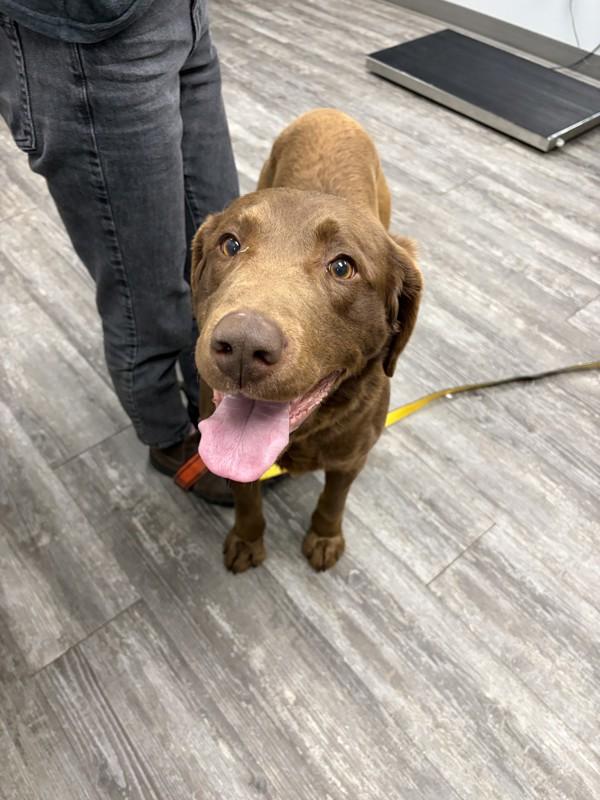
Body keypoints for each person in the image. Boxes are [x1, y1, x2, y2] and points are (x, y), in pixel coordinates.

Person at [0, 0, 238, 503]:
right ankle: (168, 436)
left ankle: (217, 405)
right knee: (146, 296)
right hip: (90, 37)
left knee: (224, 262)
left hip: (180, 14)